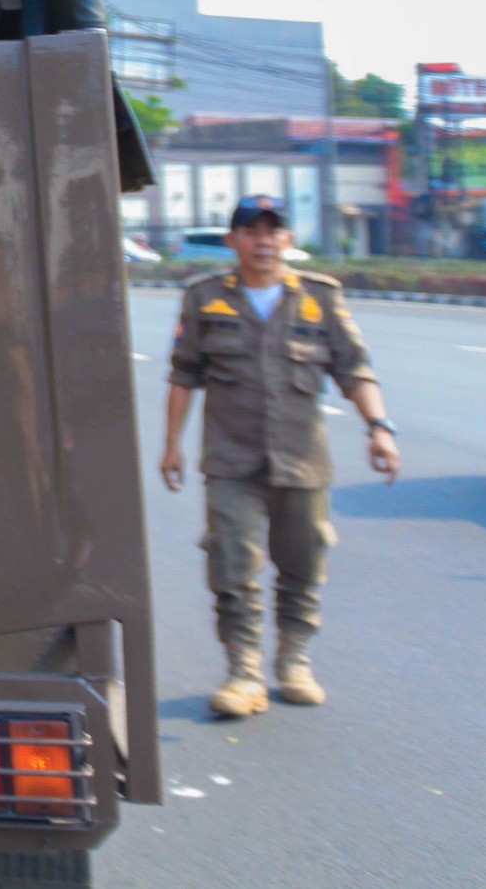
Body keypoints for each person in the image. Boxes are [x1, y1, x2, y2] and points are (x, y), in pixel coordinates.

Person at [159, 195, 398, 717]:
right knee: (232, 566)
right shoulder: (204, 298)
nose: (263, 241)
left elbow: (355, 369)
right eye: (251, 231)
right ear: (232, 241)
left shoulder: (320, 298)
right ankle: (243, 672)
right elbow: (184, 373)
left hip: (301, 461)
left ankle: (294, 662)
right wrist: (171, 445)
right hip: (231, 461)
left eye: (273, 231)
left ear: (288, 239)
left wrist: (379, 428)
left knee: (303, 565)